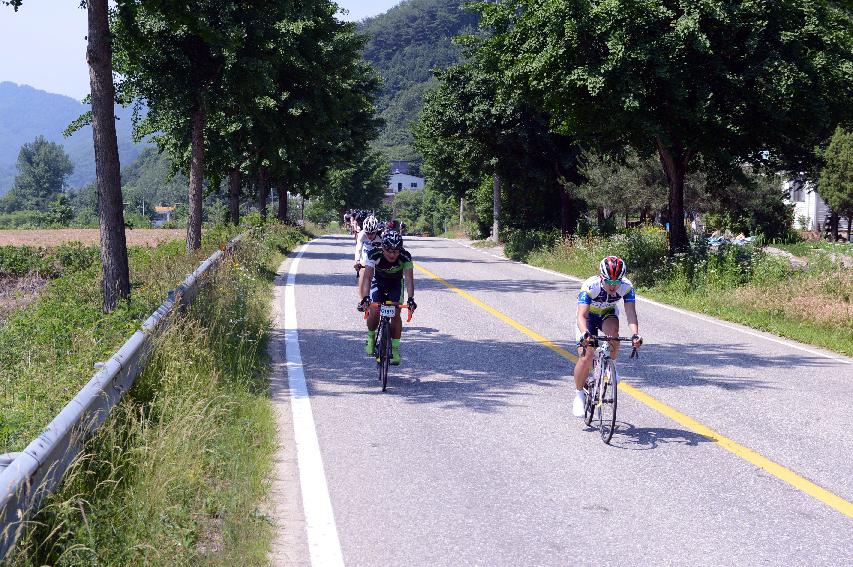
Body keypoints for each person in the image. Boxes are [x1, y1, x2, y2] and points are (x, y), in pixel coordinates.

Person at [572, 256, 643, 417]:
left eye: (616, 282)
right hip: (588, 317)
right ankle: (579, 395)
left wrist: (635, 334)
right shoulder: (591, 286)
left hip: (607, 314)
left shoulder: (626, 287)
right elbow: (581, 316)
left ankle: (611, 364)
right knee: (586, 356)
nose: (613, 286)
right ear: (601, 277)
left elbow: (631, 313)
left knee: (614, 335)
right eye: (609, 282)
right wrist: (584, 334)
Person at [357, 230, 416, 365]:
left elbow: (409, 280)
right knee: (375, 310)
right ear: (382, 247)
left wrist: (411, 298)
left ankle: (394, 349)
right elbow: (367, 278)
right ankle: (371, 338)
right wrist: (365, 297)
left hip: (395, 284)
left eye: (396, 251)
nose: (392, 254)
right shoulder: (374, 254)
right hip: (378, 282)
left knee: (395, 313)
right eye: (389, 250)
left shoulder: (405, 256)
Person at [354, 215, 382, 281]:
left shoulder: (380, 237)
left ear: (376, 231)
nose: (369, 236)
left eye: (372, 233)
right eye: (367, 233)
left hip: (376, 252)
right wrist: (357, 261)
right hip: (365, 251)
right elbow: (358, 249)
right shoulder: (362, 234)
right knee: (363, 271)